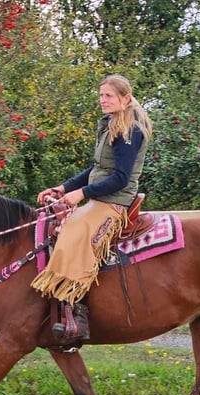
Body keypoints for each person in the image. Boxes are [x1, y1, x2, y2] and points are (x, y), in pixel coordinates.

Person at [31, 74, 153, 346]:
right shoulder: (110, 125)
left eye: (108, 95)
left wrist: (81, 194)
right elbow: (96, 170)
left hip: (116, 201)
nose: (103, 100)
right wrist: (63, 188)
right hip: (101, 197)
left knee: (76, 229)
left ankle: (78, 312)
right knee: (58, 224)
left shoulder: (130, 130)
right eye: (101, 95)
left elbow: (120, 178)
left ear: (125, 98)